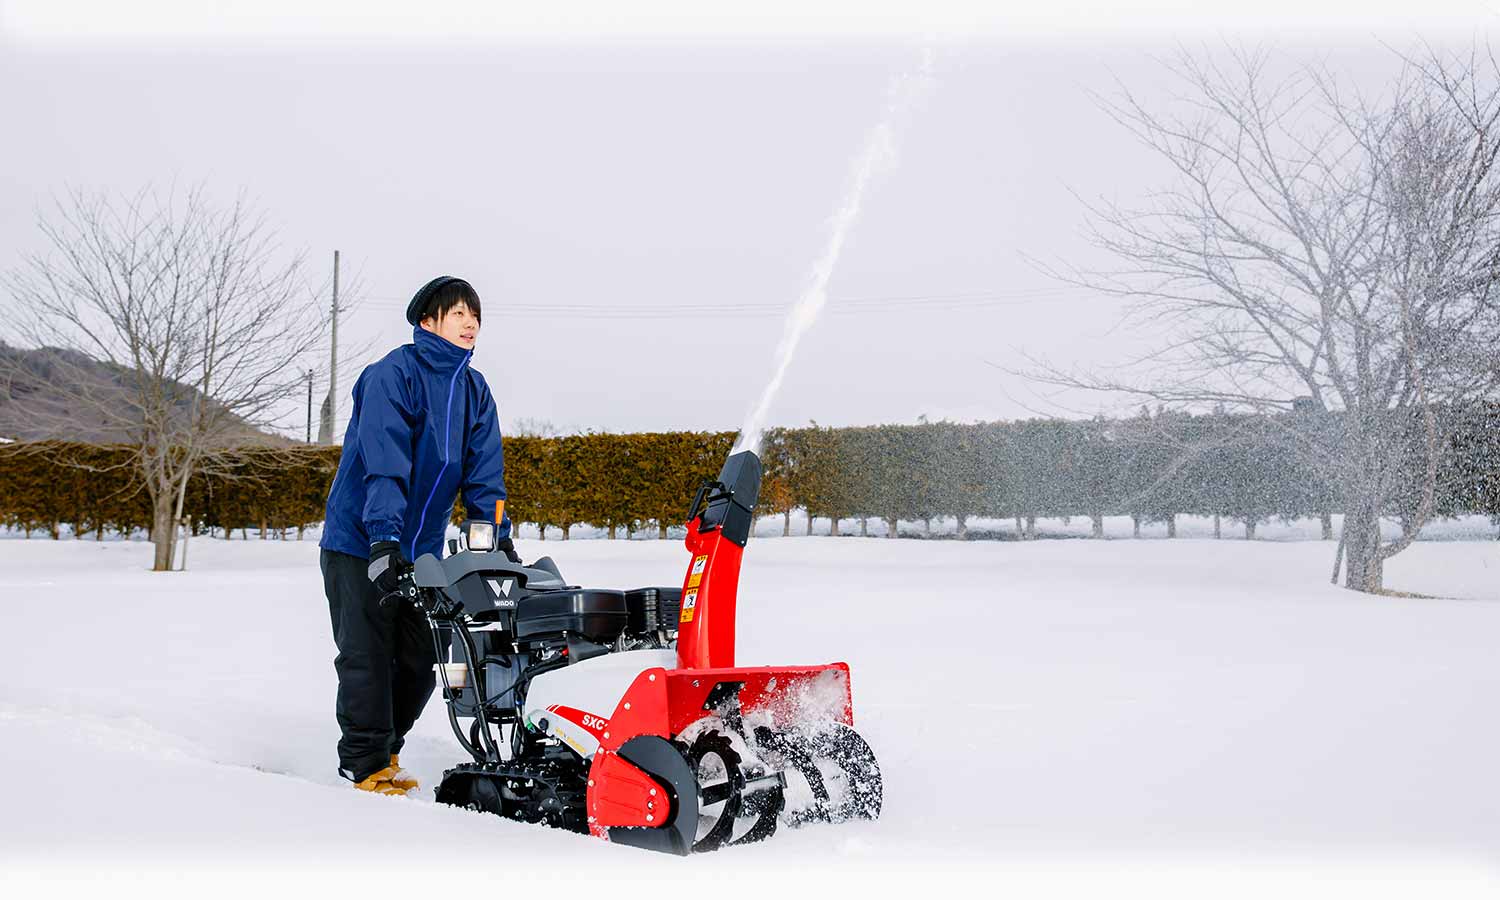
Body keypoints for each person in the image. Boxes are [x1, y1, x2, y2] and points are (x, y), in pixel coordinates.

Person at [319, 275, 519, 796]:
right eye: (457, 313)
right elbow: (384, 465)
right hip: (359, 543)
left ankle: (387, 747)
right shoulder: (392, 375)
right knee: (366, 655)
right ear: (427, 321)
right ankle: (364, 767)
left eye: (475, 315)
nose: (470, 322)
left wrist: (495, 537)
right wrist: (383, 539)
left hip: (420, 552)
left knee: (419, 662)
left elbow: (485, 477)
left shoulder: (474, 391)